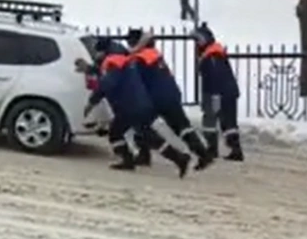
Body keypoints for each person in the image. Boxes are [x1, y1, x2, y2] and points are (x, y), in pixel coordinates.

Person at [83, 46, 192, 177]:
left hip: (129, 107)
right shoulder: (122, 62)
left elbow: (107, 83)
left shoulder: (112, 63)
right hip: (141, 104)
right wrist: (89, 69)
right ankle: (178, 158)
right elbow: (106, 73)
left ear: (103, 52)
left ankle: (128, 160)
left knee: (116, 133)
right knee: (148, 136)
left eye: (97, 52)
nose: (95, 55)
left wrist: (92, 102)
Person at [126, 28, 213, 170]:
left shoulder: (139, 59)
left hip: (156, 98)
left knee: (140, 124)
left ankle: (152, 155)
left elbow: (135, 82)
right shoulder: (153, 54)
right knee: (182, 127)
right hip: (172, 94)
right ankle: (203, 153)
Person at [193, 23, 243, 161]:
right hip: (227, 91)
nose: (196, 44)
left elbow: (215, 76)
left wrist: (215, 96)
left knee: (210, 120)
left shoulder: (212, 55)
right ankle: (235, 149)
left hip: (218, 92)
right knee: (228, 122)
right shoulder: (215, 53)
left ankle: (212, 149)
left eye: (197, 40)